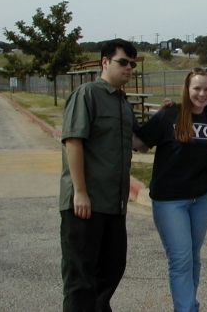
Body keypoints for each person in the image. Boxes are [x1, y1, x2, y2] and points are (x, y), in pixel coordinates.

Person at [59, 38, 139, 312]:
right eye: (123, 62)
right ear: (105, 62)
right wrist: (80, 192)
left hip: (114, 204)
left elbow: (136, 141)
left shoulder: (122, 102)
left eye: (132, 64)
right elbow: (73, 142)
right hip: (85, 204)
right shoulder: (87, 95)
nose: (129, 68)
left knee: (112, 269)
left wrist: (167, 115)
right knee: (80, 278)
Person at [134, 67, 207, 312]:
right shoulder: (169, 116)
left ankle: (189, 305)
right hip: (170, 200)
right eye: (197, 88)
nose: (202, 94)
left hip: (201, 198)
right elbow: (138, 143)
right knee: (181, 259)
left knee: (193, 256)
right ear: (187, 89)